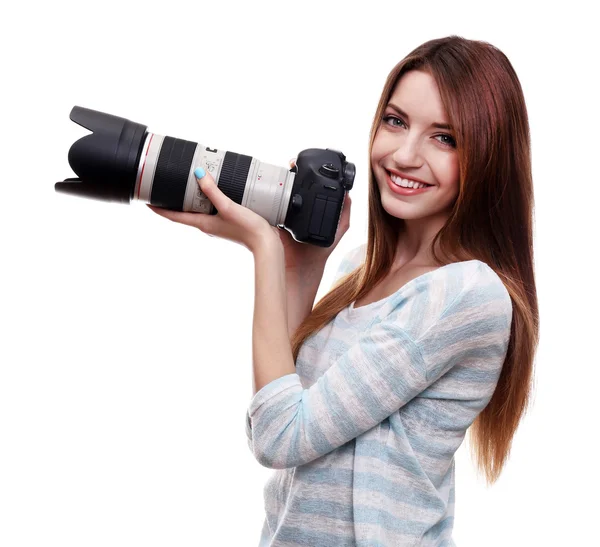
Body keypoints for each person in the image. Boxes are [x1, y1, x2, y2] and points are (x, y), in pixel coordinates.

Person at [149, 34, 539, 547]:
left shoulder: (467, 294)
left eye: (445, 138)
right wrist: (301, 264)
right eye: (395, 121)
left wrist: (263, 249)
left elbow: (280, 436)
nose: (404, 155)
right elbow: (274, 406)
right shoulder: (361, 270)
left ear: (489, 158)